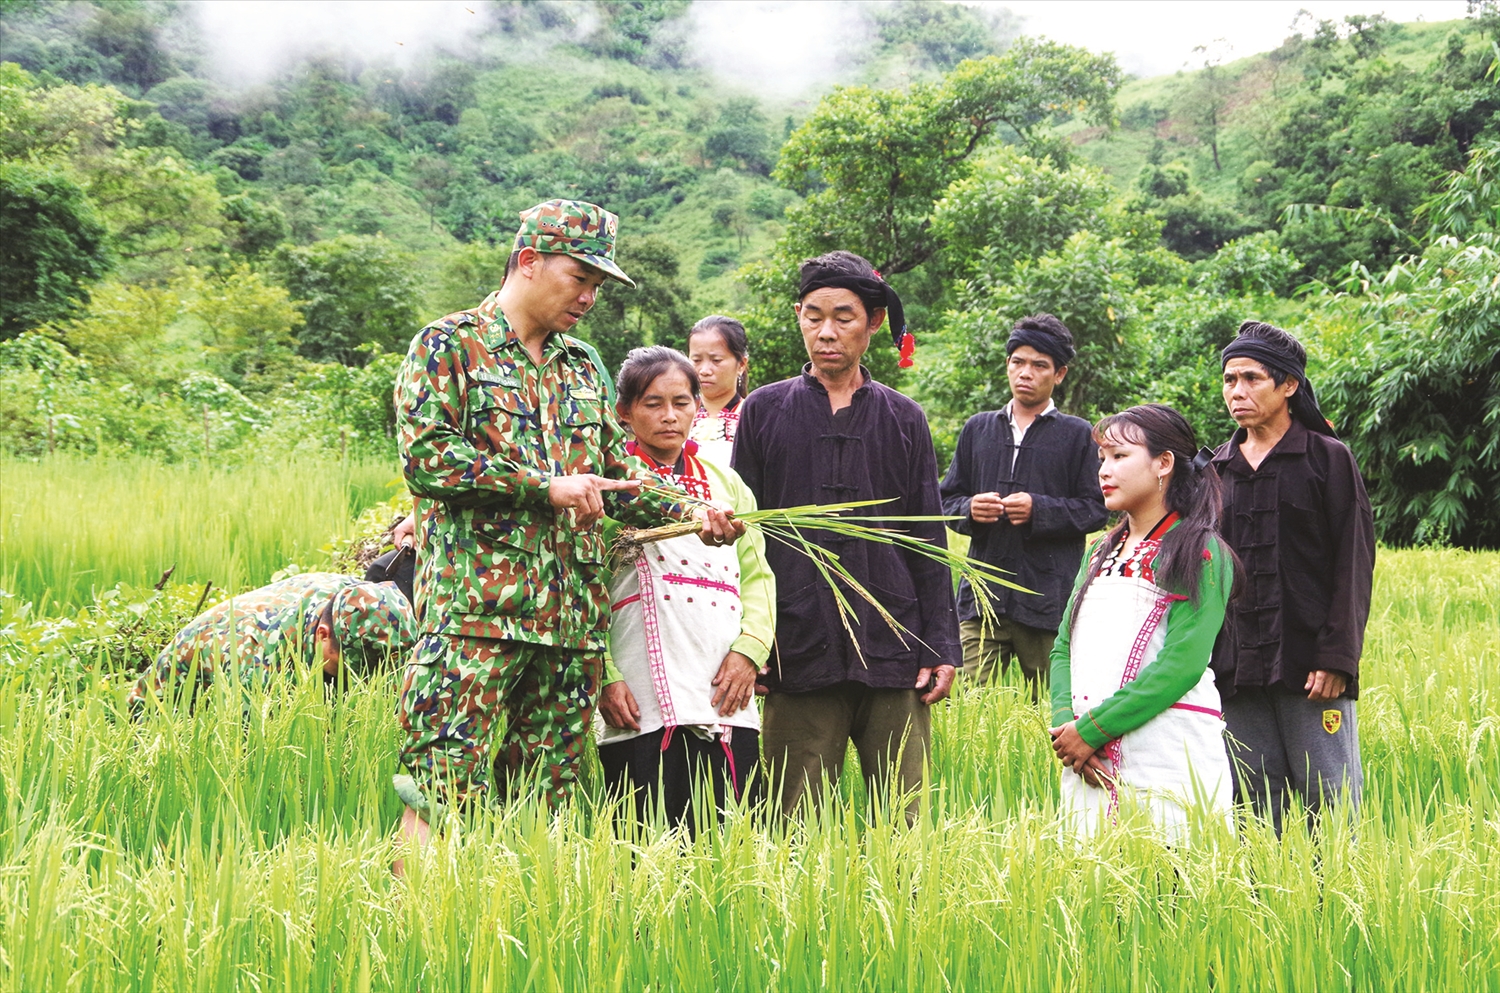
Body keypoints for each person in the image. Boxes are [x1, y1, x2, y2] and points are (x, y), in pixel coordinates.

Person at [390, 199, 743, 849]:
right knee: (439, 786)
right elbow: (428, 458)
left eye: (598, 285)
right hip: (476, 615)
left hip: (570, 624)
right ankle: (413, 931)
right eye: (579, 278)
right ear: (528, 262)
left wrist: (691, 511)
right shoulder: (448, 345)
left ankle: (513, 930)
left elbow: (613, 471)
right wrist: (543, 487)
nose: (589, 296)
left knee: (540, 801)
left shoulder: (582, 364)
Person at [732, 250, 959, 823]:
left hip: (894, 644)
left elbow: (926, 535)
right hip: (797, 644)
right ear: (798, 316)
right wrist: (751, 643)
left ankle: (910, 915)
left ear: (874, 322)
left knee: (906, 822)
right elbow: (746, 541)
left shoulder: (903, 417)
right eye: (812, 316)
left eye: (843, 317)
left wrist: (941, 647)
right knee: (793, 824)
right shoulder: (762, 411)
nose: (825, 333)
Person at [595, 346, 776, 832]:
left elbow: (757, 576)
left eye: (681, 401)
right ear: (624, 412)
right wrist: (603, 674)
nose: (669, 416)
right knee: (644, 830)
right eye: (653, 403)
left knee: (731, 830)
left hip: (721, 676)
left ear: (699, 405)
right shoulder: (610, 484)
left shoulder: (726, 483)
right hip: (636, 684)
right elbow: (581, 583)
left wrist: (750, 651)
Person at [1210, 320, 1374, 833]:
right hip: (1236, 668)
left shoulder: (1328, 459)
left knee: (1330, 799)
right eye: (1230, 379)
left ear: (1288, 386)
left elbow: (1354, 561)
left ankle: (1339, 908)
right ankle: (1271, 910)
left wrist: (1337, 657)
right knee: (1255, 801)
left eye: (1252, 378)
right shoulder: (1215, 470)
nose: (1238, 391)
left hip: (1311, 666)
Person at [1048, 404, 1238, 840]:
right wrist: (1068, 731)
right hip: (1088, 759)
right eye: (1102, 459)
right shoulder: (1099, 551)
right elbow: (1064, 645)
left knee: (1172, 883)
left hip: (1167, 751)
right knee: (1095, 888)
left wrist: (1092, 730)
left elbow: (1182, 664)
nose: (1104, 471)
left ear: (1163, 464)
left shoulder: (1202, 553)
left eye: (1119, 457)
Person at [939, 314, 1107, 695]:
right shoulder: (978, 428)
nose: (1025, 373)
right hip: (981, 601)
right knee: (966, 707)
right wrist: (969, 511)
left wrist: (1039, 509)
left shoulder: (1079, 435)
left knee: (1051, 713)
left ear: (1059, 374)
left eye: (1039, 365)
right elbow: (946, 499)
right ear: (1007, 365)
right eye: (1018, 362)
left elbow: (1096, 509)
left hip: (1047, 602)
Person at [127, 573, 415, 714]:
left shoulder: (365, 602)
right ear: (323, 634)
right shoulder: (252, 657)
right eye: (348, 668)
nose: (362, 679)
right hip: (163, 711)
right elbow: (250, 759)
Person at [687, 314, 751, 465]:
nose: (704, 370)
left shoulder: (754, 418)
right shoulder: (677, 415)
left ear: (741, 364)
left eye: (716, 360)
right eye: (696, 360)